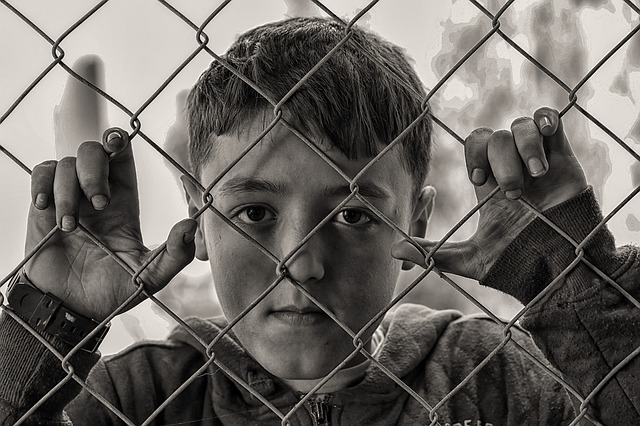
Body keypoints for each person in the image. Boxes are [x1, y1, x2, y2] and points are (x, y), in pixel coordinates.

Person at [0, 16, 638, 425]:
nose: (300, 262)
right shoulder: (142, 395)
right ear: (199, 213)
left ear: (414, 219)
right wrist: (49, 322)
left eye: (355, 214)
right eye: (254, 213)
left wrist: (575, 280)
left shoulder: (490, 379)